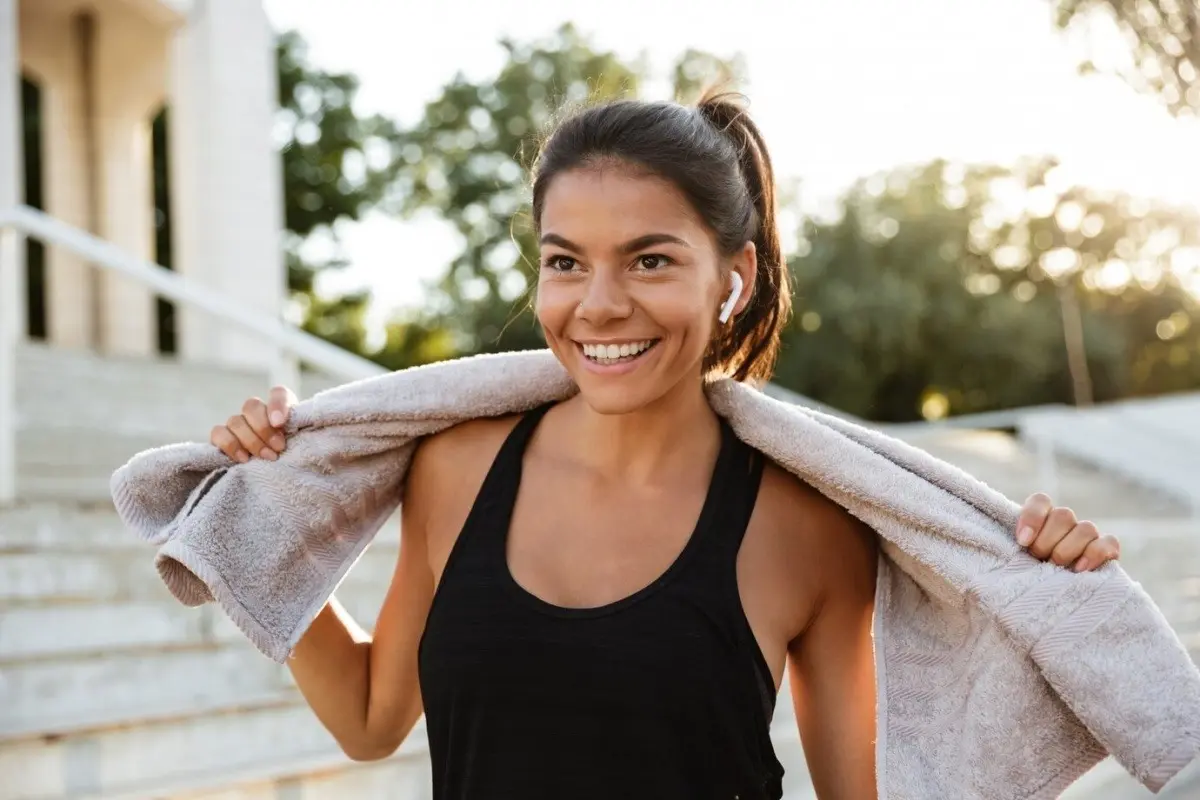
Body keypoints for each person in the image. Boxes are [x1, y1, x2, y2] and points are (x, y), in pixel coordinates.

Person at [208, 92, 1121, 800]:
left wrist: (1037, 595)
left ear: (735, 276)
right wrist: (254, 516)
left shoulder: (808, 526)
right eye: (566, 261)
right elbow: (371, 720)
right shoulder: (456, 469)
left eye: (650, 260)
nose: (598, 305)